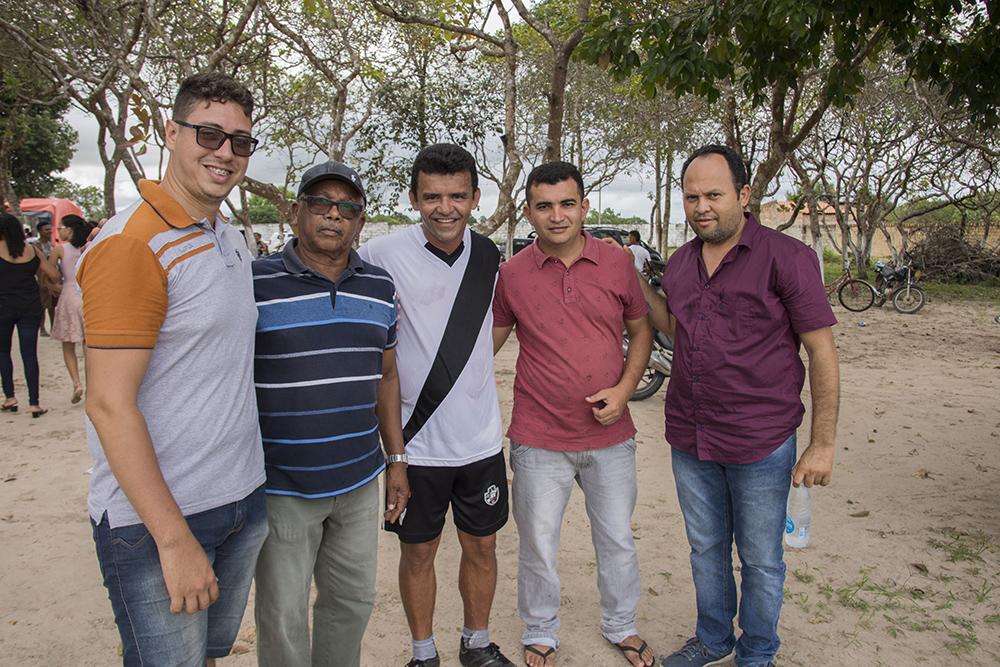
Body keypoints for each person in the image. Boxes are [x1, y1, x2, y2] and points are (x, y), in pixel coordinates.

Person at [77, 72, 268, 666]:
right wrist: (172, 538)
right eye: (209, 134)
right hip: (159, 521)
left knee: (206, 656)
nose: (225, 153)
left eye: (240, 142)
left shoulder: (228, 236)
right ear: (171, 132)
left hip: (240, 501)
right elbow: (108, 403)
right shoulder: (132, 244)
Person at [637, 145, 840, 667]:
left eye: (714, 195)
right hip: (691, 434)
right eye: (691, 197)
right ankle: (712, 639)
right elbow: (678, 329)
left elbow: (821, 350)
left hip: (761, 440)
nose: (702, 206)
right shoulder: (680, 263)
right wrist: (632, 283)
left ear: (744, 196)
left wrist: (821, 443)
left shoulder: (787, 258)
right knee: (705, 550)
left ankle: (757, 651)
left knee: (761, 560)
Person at [492, 162, 655, 667]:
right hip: (538, 439)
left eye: (567, 204)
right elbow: (487, 348)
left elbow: (643, 331)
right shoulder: (511, 274)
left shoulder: (617, 262)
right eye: (544, 206)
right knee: (537, 544)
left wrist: (626, 390)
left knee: (617, 539)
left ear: (585, 207)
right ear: (529, 213)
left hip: (611, 438)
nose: (556, 216)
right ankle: (540, 629)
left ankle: (622, 624)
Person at [359, 144, 513, 667]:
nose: (444, 208)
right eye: (431, 197)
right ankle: (423, 654)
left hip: (479, 440)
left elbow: (501, 324)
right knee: (418, 552)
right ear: (413, 198)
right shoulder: (380, 254)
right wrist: (392, 454)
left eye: (456, 196)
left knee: (483, 550)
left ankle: (476, 643)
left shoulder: (491, 256)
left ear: (474, 197)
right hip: (414, 445)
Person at [252, 160, 410, 667]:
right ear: (296, 211)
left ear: (360, 222)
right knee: (283, 614)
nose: (333, 215)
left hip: (359, 482)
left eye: (348, 207)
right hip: (282, 486)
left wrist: (397, 459)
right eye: (320, 203)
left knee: (352, 602)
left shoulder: (380, 287)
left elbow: (386, 376)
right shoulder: (254, 284)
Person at [0, 213, 60, 417]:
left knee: (3, 352)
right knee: (29, 354)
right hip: (30, 306)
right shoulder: (32, 250)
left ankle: (10, 397)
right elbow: (53, 274)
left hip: (3, 307)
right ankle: (34, 403)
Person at [47, 214, 94, 404]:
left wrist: (54, 287)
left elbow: (51, 276)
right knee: (88, 344)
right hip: (86, 295)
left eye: (61, 228)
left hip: (68, 295)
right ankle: (91, 384)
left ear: (69, 229)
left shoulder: (60, 249)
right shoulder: (88, 248)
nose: (59, 231)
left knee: (68, 345)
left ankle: (76, 383)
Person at [29, 220, 59, 336]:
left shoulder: (51, 245)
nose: (49, 232)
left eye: (50, 229)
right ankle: (42, 328)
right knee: (42, 305)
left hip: (50, 278)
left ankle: (52, 327)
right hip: (39, 278)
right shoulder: (35, 246)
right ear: (40, 231)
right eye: (46, 230)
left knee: (52, 304)